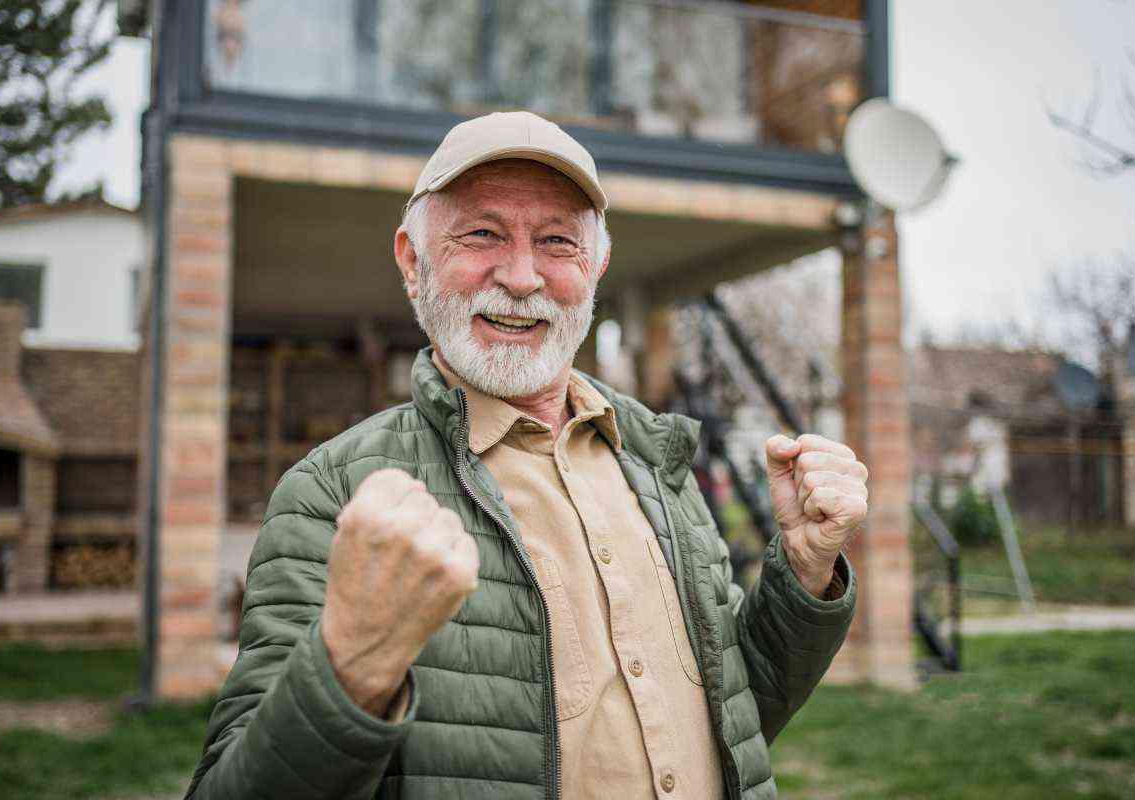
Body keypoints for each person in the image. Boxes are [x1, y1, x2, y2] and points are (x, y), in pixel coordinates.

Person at [185, 111, 866, 800]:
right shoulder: (332, 493)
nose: (520, 276)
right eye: (481, 234)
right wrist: (350, 665)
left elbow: (734, 718)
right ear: (412, 261)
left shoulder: (655, 460)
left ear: (595, 266)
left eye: (557, 241)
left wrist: (803, 573)